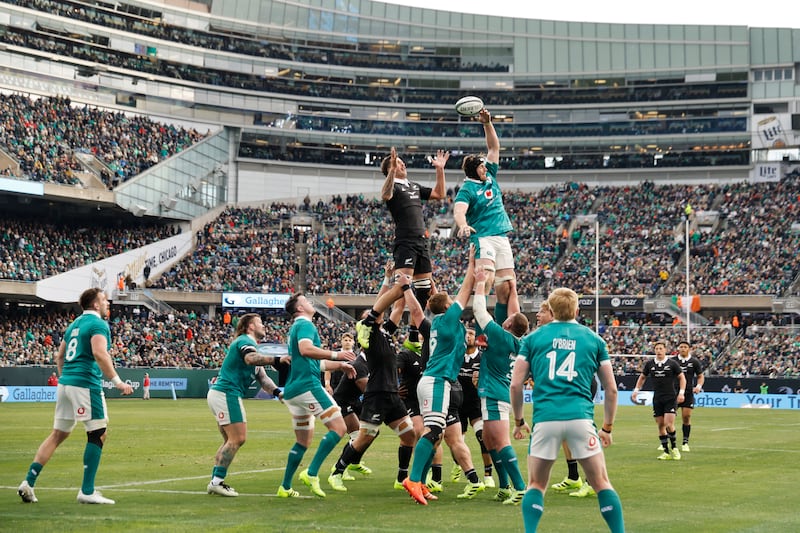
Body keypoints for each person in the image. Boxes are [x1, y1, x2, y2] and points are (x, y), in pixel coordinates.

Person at [511, 287, 624, 533]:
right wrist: (607, 427)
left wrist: (519, 420)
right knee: (601, 483)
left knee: (536, 485)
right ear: (576, 310)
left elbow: (516, 384)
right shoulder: (594, 339)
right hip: (580, 418)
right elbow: (611, 389)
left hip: (545, 419)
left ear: (550, 310)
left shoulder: (532, 339)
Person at [18, 288, 134, 505]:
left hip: (66, 384)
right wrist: (117, 381)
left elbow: (60, 355)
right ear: (96, 305)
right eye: (104, 300)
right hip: (84, 384)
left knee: (57, 435)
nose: (108, 303)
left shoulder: (74, 324)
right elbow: (100, 353)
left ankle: (28, 482)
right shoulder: (98, 324)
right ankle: (87, 491)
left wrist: (66, 379)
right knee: (98, 433)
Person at [329, 271, 417, 493]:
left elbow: (397, 308)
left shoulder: (385, 332)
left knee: (409, 435)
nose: (379, 312)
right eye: (375, 312)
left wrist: (398, 279)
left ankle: (401, 478)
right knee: (364, 438)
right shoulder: (367, 332)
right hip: (377, 395)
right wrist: (401, 285)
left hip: (392, 394)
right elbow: (382, 304)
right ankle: (337, 472)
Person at [402, 252, 479, 505]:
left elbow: (418, 310)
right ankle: (413, 479)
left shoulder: (436, 323)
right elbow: (465, 290)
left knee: (434, 434)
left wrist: (408, 289)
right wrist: (471, 265)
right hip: (437, 380)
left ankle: (421, 483)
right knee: (434, 431)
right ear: (448, 307)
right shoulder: (447, 322)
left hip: (435, 380)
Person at [278, 293, 357, 498]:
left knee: (302, 441)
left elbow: (315, 362)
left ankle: (285, 487)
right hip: (308, 386)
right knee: (339, 428)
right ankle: (312, 473)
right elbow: (306, 350)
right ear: (299, 309)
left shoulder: (296, 328)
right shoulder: (305, 324)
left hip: (293, 391)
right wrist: (336, 354)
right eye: (306, 300)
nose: (310, 302)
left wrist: (339, 364)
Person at [206, 313, 283, 497]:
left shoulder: (251, 346)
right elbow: (250, 359)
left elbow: (263, 378)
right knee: (238, 439)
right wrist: (277, 359)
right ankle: (216, 482)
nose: (264, 326)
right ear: (250, 327)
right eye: (260, 323)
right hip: (227, 393)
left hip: (221, 393)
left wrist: (278, 393)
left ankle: (215, 481)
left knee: (229, 441)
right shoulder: (244, 341)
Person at [381, 146, 448, 350]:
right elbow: (384, 194)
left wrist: (440, 169)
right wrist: (391, 171)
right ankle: (377, 323)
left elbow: (439, 193)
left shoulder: (414, 186)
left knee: (424, 290)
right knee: (402, 287)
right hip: (406, 241)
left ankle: (412, 336)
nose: (402, 164)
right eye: (397, 163)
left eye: (401, 162)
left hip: (421, 242)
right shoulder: (392, 187)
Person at [472, 268, 529, 505]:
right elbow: (516, 313)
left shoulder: (499, 334)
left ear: (508, 324)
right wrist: (513, 290)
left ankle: (520, 488)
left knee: (501, 442)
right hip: (499, 390)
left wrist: (481, 284)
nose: (503, 317)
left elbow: (478, 310)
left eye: (507, 318)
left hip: (495, 393)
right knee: (489, 438)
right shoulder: (519, 341)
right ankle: (505, 485)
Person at [453, 107, 515, 318]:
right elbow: (459, 210)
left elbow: (494, 147)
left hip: (501, 236)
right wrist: (462, 224)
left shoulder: (490, 176)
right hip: (483, 238)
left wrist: (487, 123)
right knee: (485, 280)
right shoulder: (467, 189)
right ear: (473, 170)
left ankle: (499, 332)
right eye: (481, 167)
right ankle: (481, 331)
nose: (485, 168)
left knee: (506, 287)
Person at [451, 327, 495, 488]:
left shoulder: (483, 359)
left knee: (483, 437)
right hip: (457, 406)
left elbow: (490, 380)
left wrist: (480, 383)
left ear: (477, 338)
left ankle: (488, 474)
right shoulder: (456, 356)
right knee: (457, 442)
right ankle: (458, 464)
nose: (468, 336)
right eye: (466, 334)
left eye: (471, 334)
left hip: (476, 406)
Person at [632, 341, 687, 461]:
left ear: (665, 350)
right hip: (657, 398)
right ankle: (666, 451)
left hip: (670, 397)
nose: (658, 350)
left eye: (661, 348)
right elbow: (642, 377)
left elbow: (682, 378)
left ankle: (674, 448)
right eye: (656, 348)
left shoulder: (672, 364)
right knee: (660, 425)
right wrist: (636, 390)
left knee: (668, 423)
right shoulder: (650, 364)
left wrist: (681, 392)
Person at [675, 340, 705, 451]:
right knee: (669, 417)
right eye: (681, 346)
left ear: (689, 349)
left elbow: (700, 376)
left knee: (686, 417)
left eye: (685, 347)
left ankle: (685, 442)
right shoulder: (673, 361)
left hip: (688, 392)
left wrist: (698, 386)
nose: (683, 349)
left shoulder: (694, 362)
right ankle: (668, 440)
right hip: (674, 392)